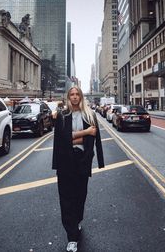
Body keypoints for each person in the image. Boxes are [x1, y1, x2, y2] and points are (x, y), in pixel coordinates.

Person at [52, 86, 104, 252]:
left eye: (77, 94)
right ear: (68, 97)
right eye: (72, 94)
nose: (74, 97)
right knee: (66, 198)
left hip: (82, 161)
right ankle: (72, 237)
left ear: (81, 97)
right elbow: (62, 139)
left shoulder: (90, 115)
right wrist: (85, 133)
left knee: (80, 196)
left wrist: (100, 160)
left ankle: (77, 221)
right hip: (65, 162)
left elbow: (96, 138)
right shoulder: (62, 116)